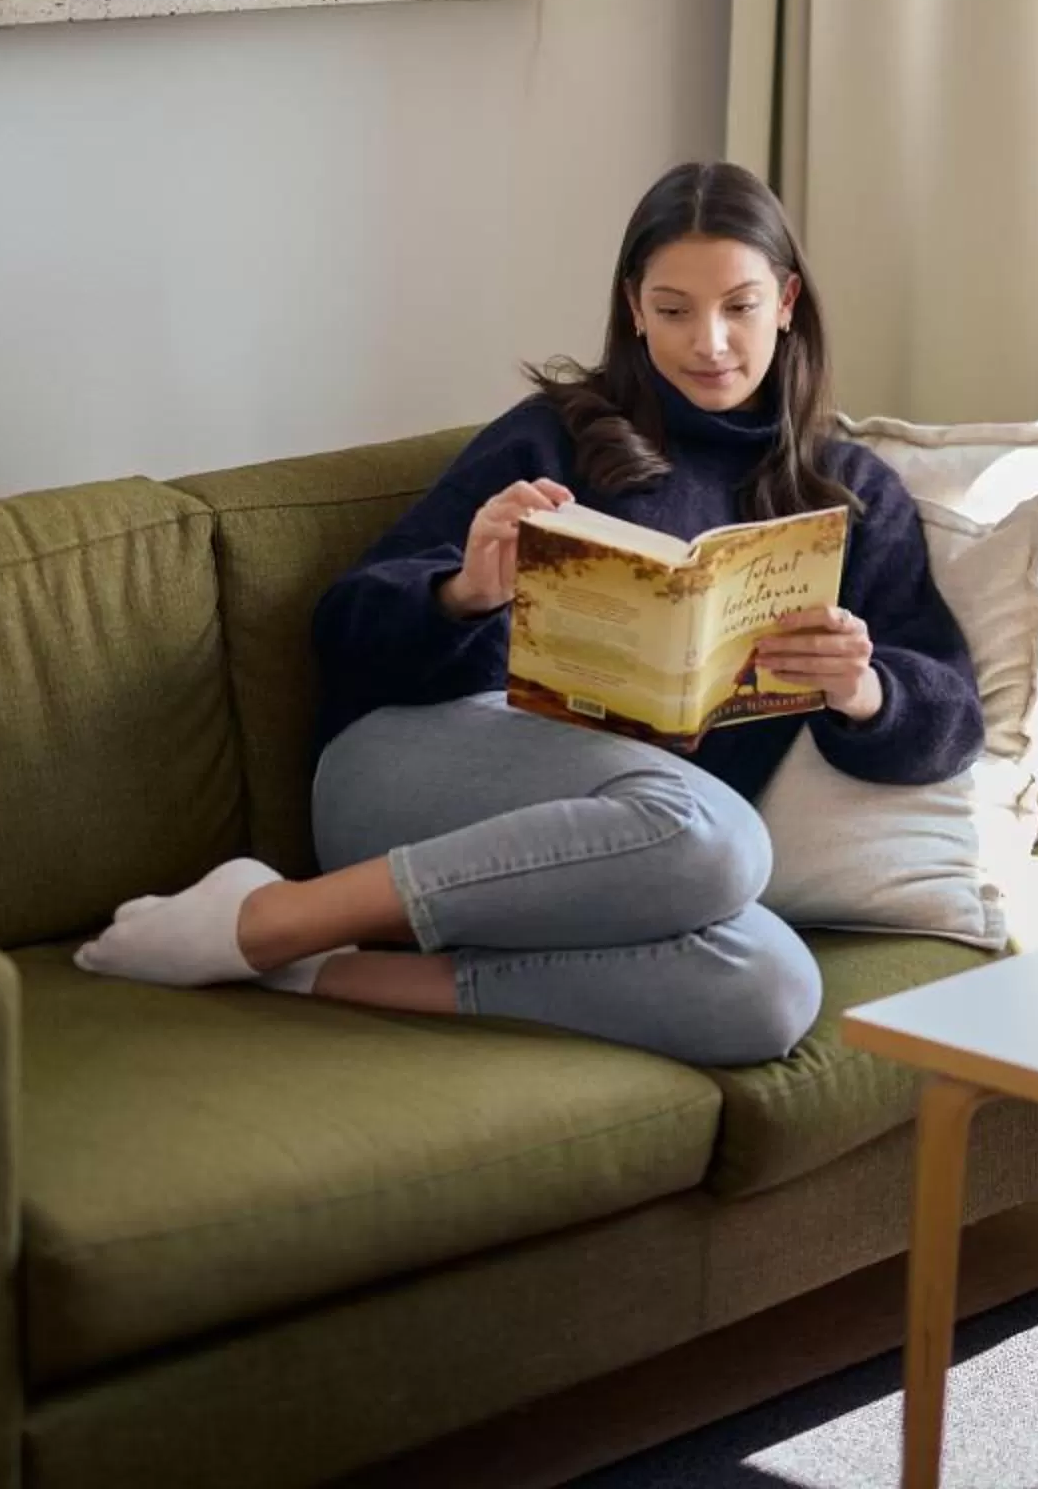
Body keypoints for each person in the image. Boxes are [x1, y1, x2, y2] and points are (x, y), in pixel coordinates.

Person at [74, 162, 985, 1065]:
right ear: (633, 308)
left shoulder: (848, 496)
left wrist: (865, 691)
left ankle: (314, 970)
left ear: (786, 302)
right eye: (673, 310)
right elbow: (344, 627)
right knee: (720, 837)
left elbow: (951, 720)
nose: (709, 342)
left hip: (628, 852)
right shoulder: (559, 434)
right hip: (412, 774)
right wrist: (464, 591)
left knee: (772, 990)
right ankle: (272, 917)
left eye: (739, 307)